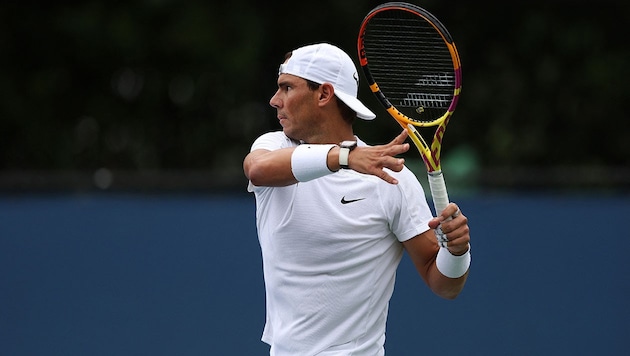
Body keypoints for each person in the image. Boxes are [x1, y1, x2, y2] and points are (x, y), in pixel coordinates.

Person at [243, 43, 471, 355]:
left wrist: (457, 254)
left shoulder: (392, 179)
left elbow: (443, 284)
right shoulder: (273, 146)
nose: (274, 100)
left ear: (324, 94)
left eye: (287, 88)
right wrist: (346, 157)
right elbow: (257, 170)